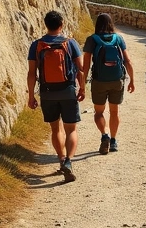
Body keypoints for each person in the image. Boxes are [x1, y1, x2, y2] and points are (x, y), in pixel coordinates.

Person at [27, 10, 85, 182]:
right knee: (71, 129)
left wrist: (31, 96)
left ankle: (60, 159)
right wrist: (82, 89)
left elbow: (31, 73)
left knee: (55, 128)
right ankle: (68, 161)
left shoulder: (36, 45)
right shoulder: (70, 43)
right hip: (67, 91)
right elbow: (80, 69)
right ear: (62, 25)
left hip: (47, 93)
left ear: (46, 25)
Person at [82, 13, 136, 155]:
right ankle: (113, 141)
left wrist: (82, 84)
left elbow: (85, 65)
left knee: (98, 112)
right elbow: (127, 61)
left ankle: (104, 136)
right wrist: (132, 80)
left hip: (99, 81)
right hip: (117, 80)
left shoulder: (92, 40)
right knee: (114, 111)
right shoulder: (118, 38)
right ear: (111, 24)